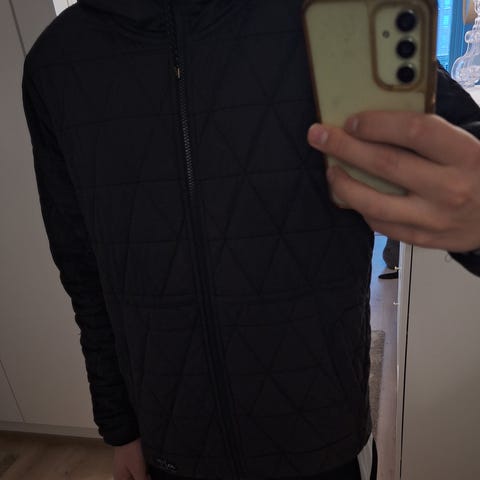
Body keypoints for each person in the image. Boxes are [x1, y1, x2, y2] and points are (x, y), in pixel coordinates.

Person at [21, 1, 480, 480]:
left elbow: (462, 144)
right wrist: (120, 426)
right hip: (172, 439)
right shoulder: (57, 63)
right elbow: (83, 271)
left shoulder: (329, 14)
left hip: (321, 434)